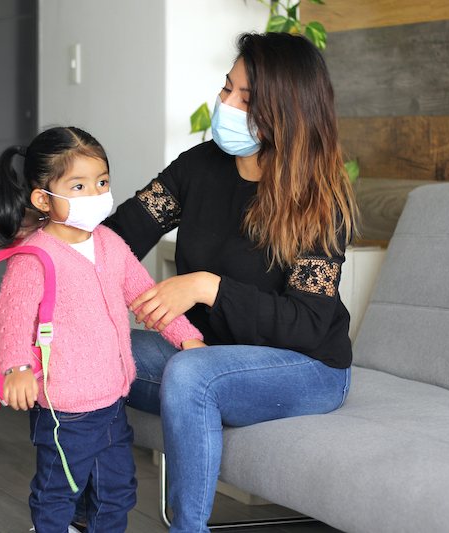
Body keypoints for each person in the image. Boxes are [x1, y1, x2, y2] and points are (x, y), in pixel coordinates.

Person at [102, 32, 359, 532]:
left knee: (191, 374)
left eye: (245, 98)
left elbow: (306, 326)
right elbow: (121, 237)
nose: (226, 104)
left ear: (285, 111)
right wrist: (52, 250)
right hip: (207, 351)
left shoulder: (320, 202)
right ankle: (87, 519)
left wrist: (206, 286)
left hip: (306, 368)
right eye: (226, 89)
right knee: (93, 350)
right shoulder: (200, 167)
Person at [0, 126, 205, 533]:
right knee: (57, 494)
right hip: (62, 409)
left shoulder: (110, 244)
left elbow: (147, 297)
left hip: (111, 402)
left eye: (101, 182)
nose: (96, 194)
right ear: (42, 198)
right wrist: (16, 367)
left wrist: (186, 336)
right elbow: (12, 316)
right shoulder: (36, 257)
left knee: (117, 492)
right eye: (79, 185)